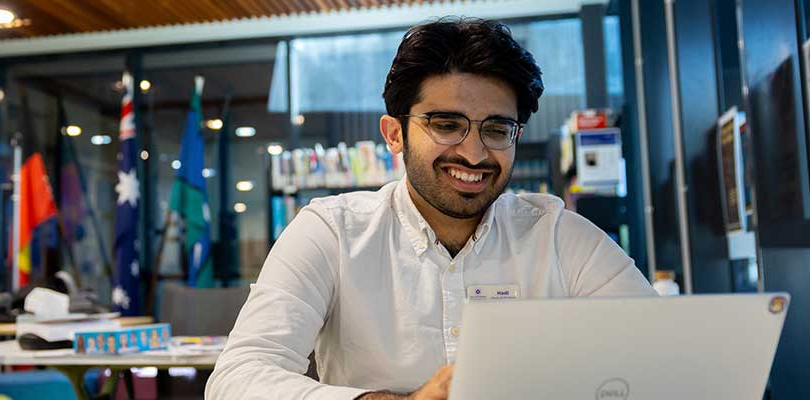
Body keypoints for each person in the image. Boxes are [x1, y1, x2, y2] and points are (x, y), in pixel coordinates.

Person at [205, 17, 656, 400]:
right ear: (394, 134)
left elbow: (659, 354)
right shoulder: (332, 233)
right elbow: (237, 378)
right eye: (446, 125)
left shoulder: (561, 237)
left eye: (497, 130)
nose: (475, 154)